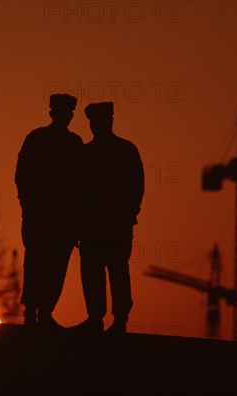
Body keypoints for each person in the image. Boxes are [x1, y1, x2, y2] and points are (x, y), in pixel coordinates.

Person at [74, 102, 144, 335]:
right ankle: (96, 318)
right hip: (95, 225)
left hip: (114, 224)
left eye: (101, 121)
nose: (97, 126)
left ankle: (118, 319)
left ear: (109, 121)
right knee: (95, 271)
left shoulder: (124, 151)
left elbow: (136, 186)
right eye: (94, 122)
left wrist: (128, 214)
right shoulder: (88, 153)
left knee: (116, 270)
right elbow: (77, 192)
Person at [15, 93, 83, 331]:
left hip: (62, 220)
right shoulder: (37, 139)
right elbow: (22, 175)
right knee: (36, 263)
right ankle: (32, 313)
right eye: (62, 113)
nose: (66, 117)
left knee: (55, 266)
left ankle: (44, 313)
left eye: (69, 114)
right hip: (40, 216)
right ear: (53, 114)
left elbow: (81, 185)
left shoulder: (74, 144)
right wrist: (28, 205)